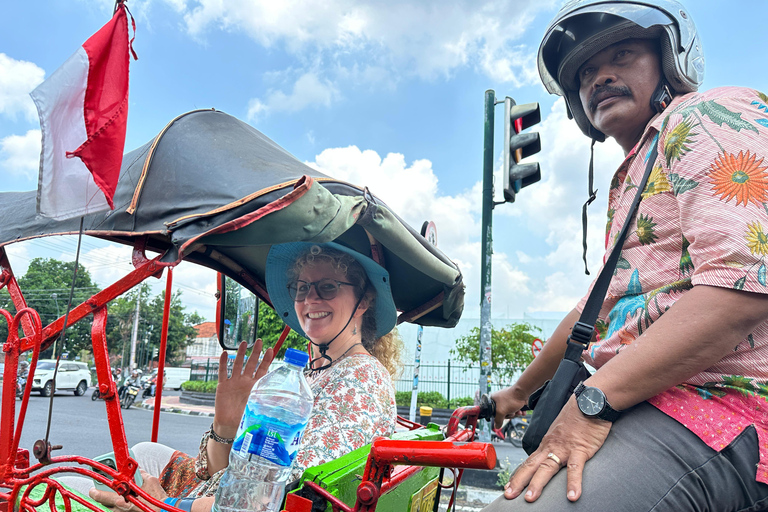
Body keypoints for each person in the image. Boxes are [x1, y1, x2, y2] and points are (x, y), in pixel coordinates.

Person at [484, 1, 768, 511]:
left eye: (624, 54)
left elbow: (742, 288)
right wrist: (515, 393)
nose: (600, 78)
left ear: (671, 59)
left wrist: (591, 404)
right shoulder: (636, 171)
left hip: (719, 403)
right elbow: (588, 314)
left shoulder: (706, 116)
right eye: (587, 73)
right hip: (651, 398)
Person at [82, 241, 403, 512]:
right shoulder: (311, 375)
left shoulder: (360, 378)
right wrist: (226, 427)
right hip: (220, 494)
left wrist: (167, 504)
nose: (309, 300)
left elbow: (276, 495)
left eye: (327, 287)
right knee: (143, 452)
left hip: (222, 505)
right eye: (302, 288)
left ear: (364, 301)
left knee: (75, 487)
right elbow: (237, 471)